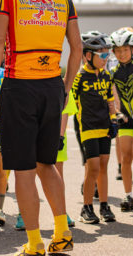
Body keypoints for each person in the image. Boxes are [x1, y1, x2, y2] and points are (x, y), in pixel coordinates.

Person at [0, 0, 82, 256]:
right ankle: (62, 232)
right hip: (52, 87)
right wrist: (65, 87)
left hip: (19, 86)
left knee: (23, 169)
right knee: (47, 164)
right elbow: (77, 47)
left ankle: (35, 242)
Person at [72, 31, 117, 224]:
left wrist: (114, 119)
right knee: (93, 167)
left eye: (108, 54)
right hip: (88, 127)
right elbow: (70, 102)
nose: (106, 58)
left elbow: (110, 100)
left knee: (104, 165)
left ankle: (104, 206)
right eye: (103, 54)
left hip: (104, 126)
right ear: (89, 55)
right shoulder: (79, 77)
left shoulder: (106, 76)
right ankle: (86, 207)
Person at [110, 27, 133, 211]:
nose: (121, 53)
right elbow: (111, 95)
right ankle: (128, 195)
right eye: (117, 50)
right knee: (125, 157)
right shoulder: (113, 71)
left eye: (125, 49)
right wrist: (116, 112)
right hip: (125, 119)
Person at [56, 90, 78, 227]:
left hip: (55, 135)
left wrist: (60, 137)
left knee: (57, 176)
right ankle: (23, 214)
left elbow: (64, 111)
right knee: (28, 174)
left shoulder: (61, 84)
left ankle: (61, 213)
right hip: (33, 133)